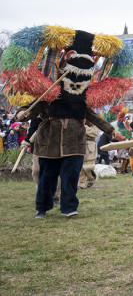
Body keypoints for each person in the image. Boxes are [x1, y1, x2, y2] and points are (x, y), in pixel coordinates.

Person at [16, 30, 123, 218]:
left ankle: (69, 207)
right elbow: (32, 108)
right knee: (46, 177)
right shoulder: (51, 90)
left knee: (71, 177)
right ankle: (42, 207)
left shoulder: (82, 97)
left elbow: (93, 116)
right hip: (49, 141)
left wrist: (111, 130)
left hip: (74, 142)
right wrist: (21, 114)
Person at [78, 122, 100, 188]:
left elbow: (95, 133)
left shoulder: (94, 125)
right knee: (80, 166)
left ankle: (91, 178)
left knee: (88, 166)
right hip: (79, 145)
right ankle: (81, 183)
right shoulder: (78, 122)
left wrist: (84, 128)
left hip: (89, 146)